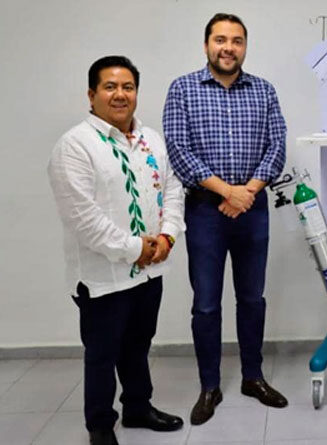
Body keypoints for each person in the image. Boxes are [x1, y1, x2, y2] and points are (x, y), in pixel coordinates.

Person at [47, 56, 185, 445]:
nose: (120, 94)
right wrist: (134, 248)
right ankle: (100, 425)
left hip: (150, 269)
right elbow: (83, 218)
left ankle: (138, 408)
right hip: (102, 276)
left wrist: (168, 236)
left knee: (138, 345)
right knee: (102, 353)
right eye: (110, 87)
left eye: (128, 87)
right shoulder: (75, 146)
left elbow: (173, 189)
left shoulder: (151, 139)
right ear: (91, 95)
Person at [162, 13, 288, 425]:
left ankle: (253, 377)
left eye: (236, 40)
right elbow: (178, 151)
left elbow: (277, 146)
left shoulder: (264, 90)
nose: (228, 47)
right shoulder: (182, 89)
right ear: (206, 45)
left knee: (252, 298)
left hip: (252, 210)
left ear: (245, 47)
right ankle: (210, 386)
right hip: (205, 213)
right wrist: (226, 191)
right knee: (206, 304)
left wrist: (246, 192)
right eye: (220, 39)